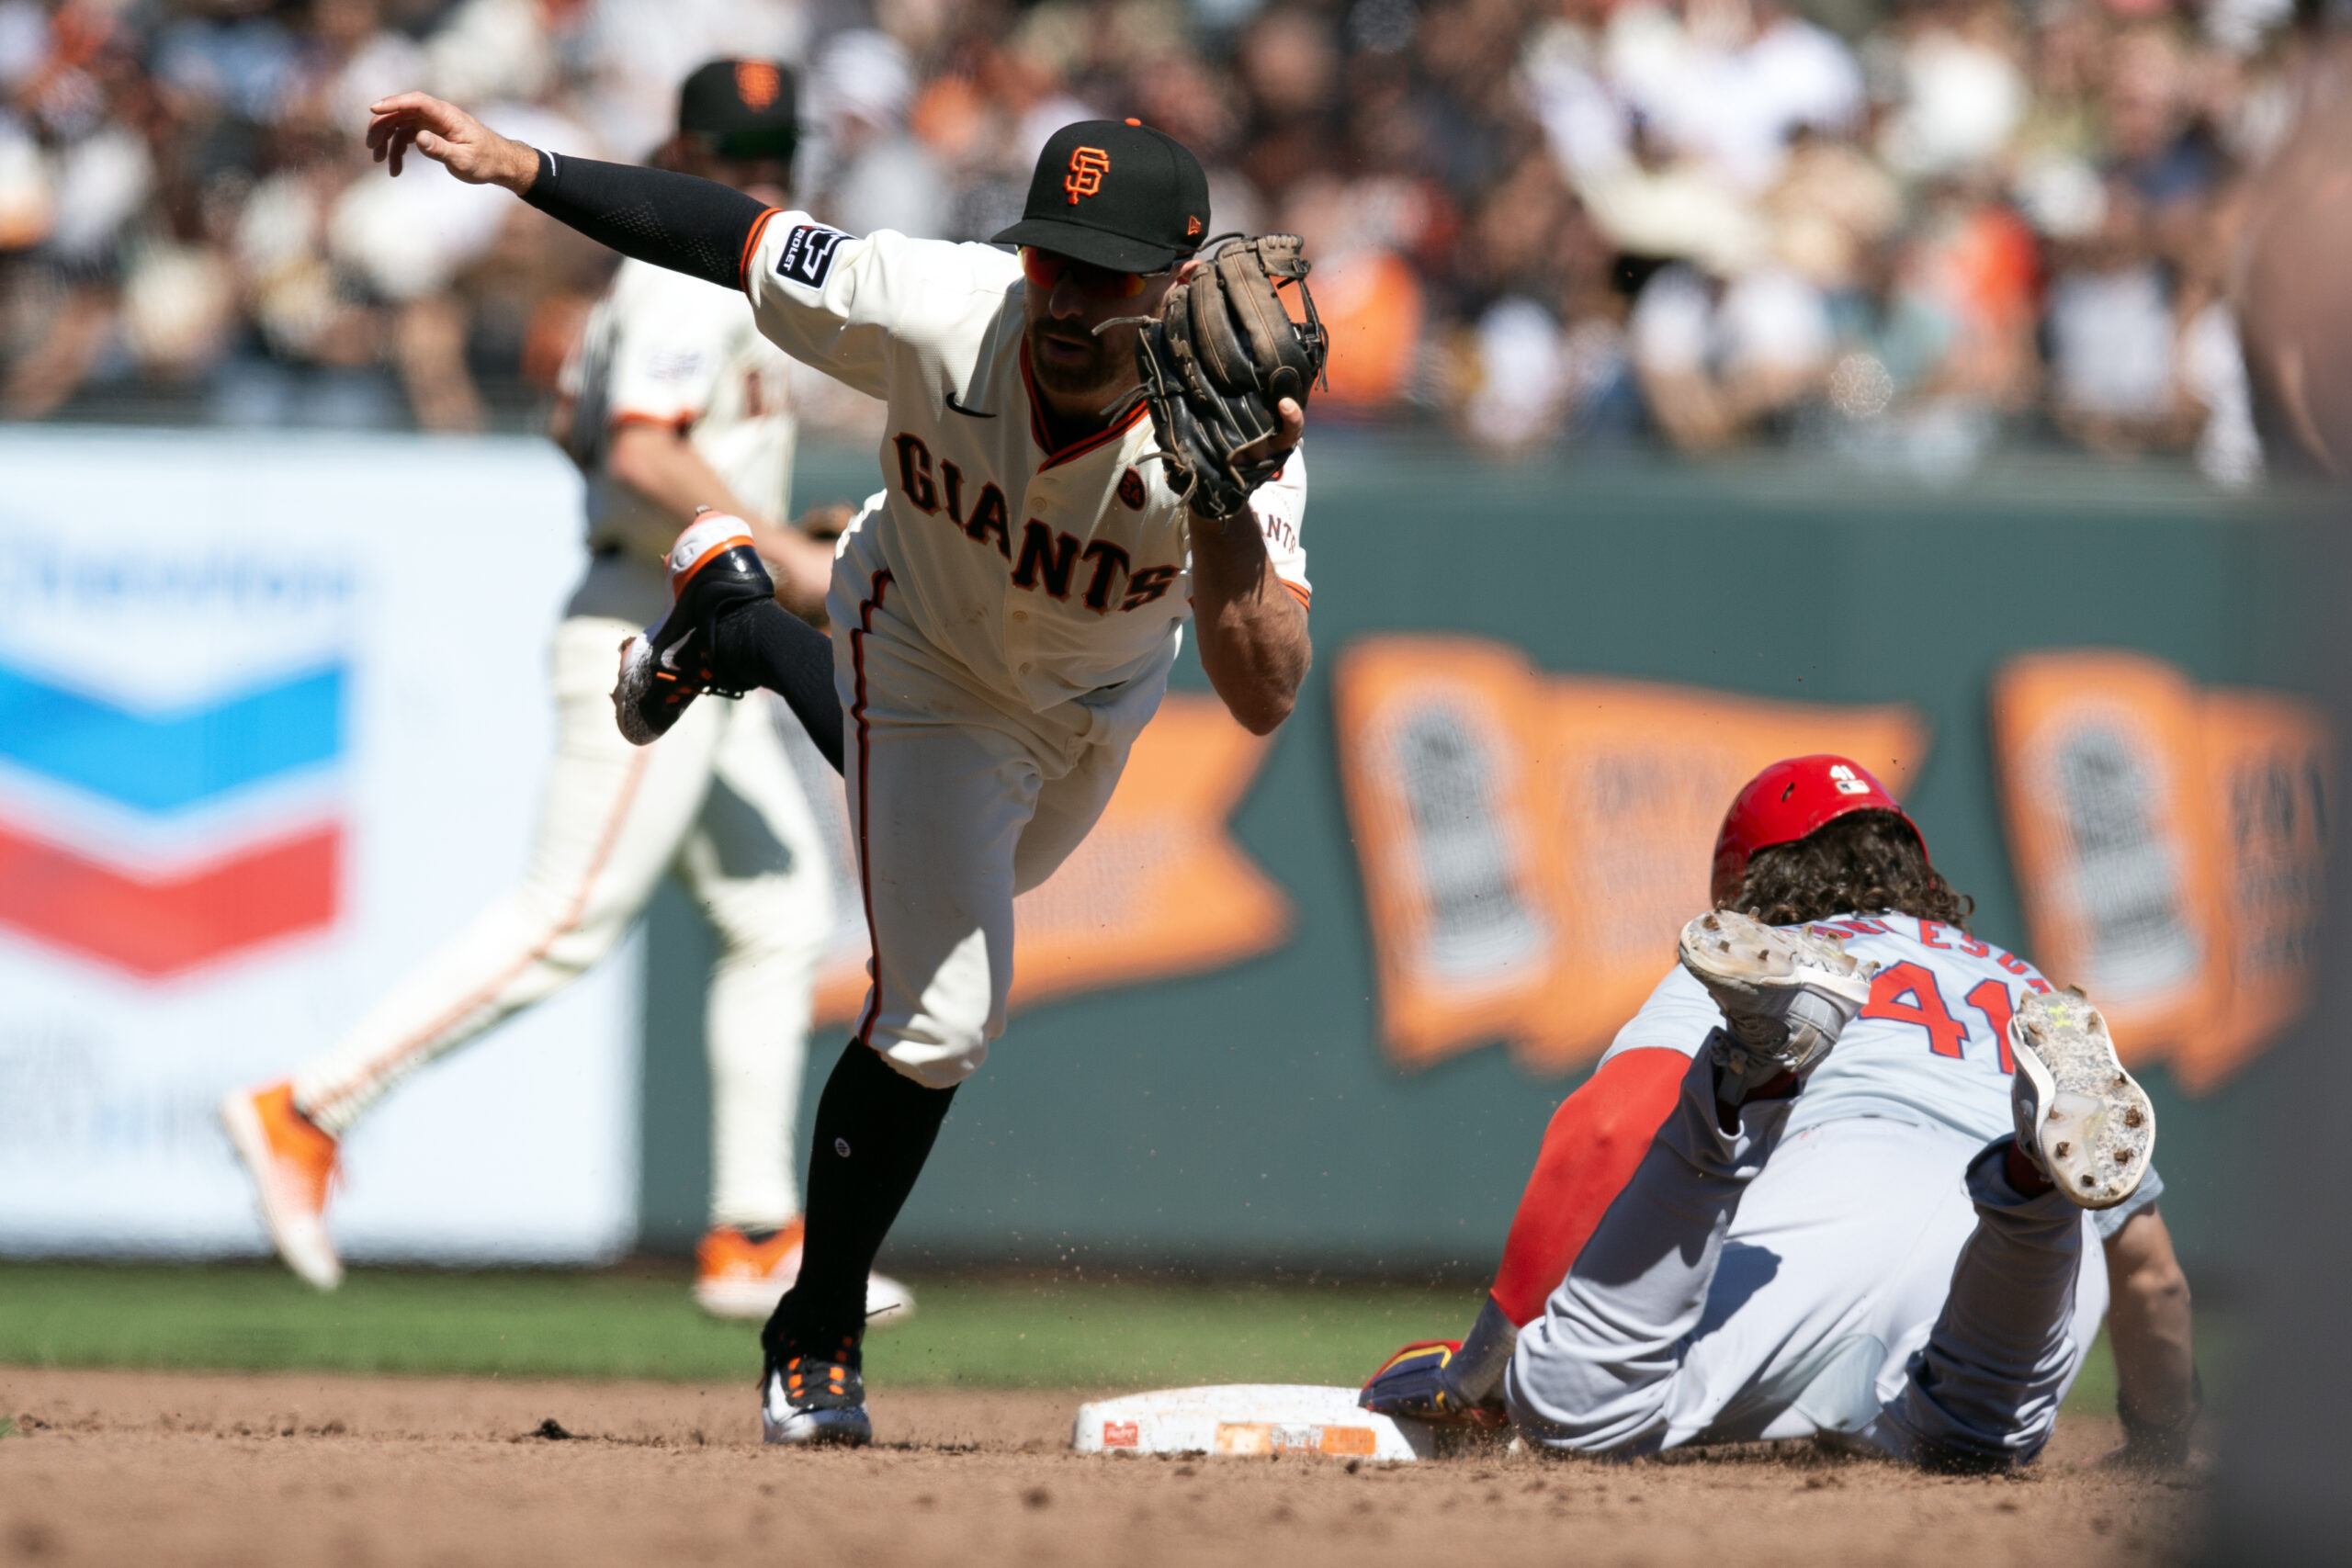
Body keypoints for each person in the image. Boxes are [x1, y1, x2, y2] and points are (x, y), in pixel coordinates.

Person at [357, 94, 1315, 1445]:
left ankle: (742, 620)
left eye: (1103, 275)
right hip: (912, 641)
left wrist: (1225, 502)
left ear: (1171, 282)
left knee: (999, 872)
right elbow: (731, 233)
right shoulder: (935, 300)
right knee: (942, 1007)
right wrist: (524, 165)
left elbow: (1264, 688)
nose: (1064, 296)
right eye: (1052, 257)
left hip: (1087, 705)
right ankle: (815, 1332)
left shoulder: (1238, 433)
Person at [220, 60, 910, 1328]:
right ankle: (308, 1106)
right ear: (691, 151)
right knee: (568, 914)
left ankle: (756, 1230)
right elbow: (641, 444)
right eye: (745, 157)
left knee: (774, 906)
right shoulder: (677, 272)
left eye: (772, 155)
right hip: (657, 629)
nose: (763, 176)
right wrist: (783, 549)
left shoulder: (654, 275)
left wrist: (753, 522)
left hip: (695, 609)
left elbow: (572, 428)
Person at [1363, 754, 2199, 1470]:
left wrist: (1481, 1368)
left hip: (1840, 1191)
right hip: (2034, 1270)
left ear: (1746, 885)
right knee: (1969, 1438)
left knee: (1569, 1409)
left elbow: (1610, 1126)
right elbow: (2154, 1278)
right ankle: (2029, 1184)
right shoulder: (2028, 987)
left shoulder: (1788, 952)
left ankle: (1748, 1073)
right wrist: (2162, 1439)